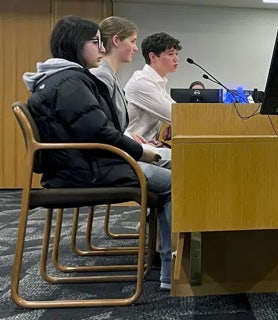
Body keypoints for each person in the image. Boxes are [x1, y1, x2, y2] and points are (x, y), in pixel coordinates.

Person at [22, 16, 171, 290]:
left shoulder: (63, 79)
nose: (102, 50)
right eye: (96, 43)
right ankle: (171, 270)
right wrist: (142, 153)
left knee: (171, 170)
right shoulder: (70, 83)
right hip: (85, 170)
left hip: (82, 164)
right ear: (77, 44)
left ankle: (168, 259)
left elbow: (97, 128)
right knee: (176, 180)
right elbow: (100, 132)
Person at [90, 16, 173, 291]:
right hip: (117, 158)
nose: (135, 48)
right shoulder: (102, 76)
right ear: (116, 41)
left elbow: (107, 125)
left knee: (177, 166)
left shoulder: (109, 76)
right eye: (132, 42)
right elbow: (99, 128)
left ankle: (168, 250)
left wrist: (128, 135)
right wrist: (137, 145)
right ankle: (171, 261)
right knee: (182, 172)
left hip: (124, 149)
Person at [124, 32, 181, 142]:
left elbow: (177, 112)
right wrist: (174, 121)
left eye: (176, 54)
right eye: (170, 54)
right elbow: (176, 115)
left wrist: (173, 123)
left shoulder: (157, 81)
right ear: (153, 57)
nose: (176, 59)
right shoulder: (143, 82)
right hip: (130, 149)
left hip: (146, 145)